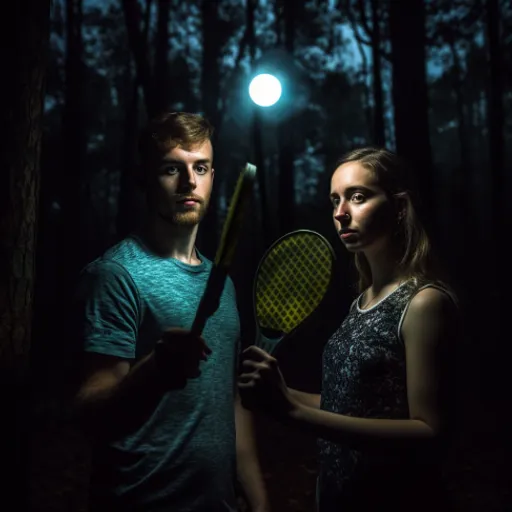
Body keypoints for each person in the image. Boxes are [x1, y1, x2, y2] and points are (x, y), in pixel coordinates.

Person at [238, 147, 460, 511]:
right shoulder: (361, 302)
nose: (341, 213)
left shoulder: (424, 303)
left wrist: (295, 414)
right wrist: (282, 393)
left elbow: (429, 431)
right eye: (335, 200)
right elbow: (352, 402)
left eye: (358, 197)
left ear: (400, 206)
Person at [71, 112, 269, 512]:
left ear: (213, 176)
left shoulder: (222, 284)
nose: (189, 182)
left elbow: (230, 401)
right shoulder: (115, 275)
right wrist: (155, 369)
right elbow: (92, 414)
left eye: (201, 168)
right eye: (171, 168)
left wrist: (257, 494)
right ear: (145, 178)